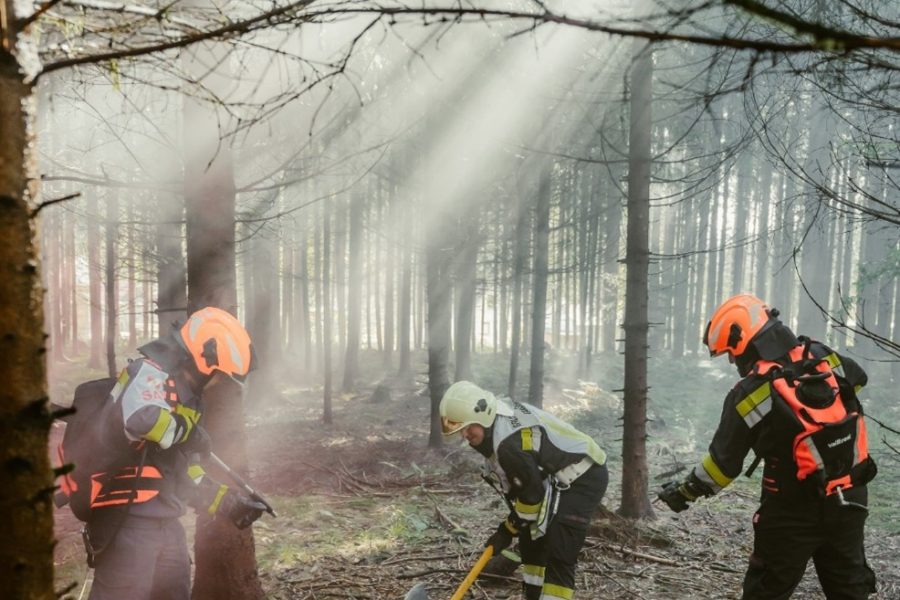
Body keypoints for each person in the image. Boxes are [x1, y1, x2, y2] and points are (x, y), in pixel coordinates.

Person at [658, 294, 877, 599]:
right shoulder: (823, 355)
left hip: (790, 512)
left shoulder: (751, 391)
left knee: (766, 592)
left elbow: (722, 467)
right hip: (850, 498)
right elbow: (858, 379)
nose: (733, 362)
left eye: (731, 354)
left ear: (742, 340)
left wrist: (685, 490)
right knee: (850, 588)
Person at [62, 307, 267, 600]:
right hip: (128, 524)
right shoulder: (148, 374)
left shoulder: (190, 402)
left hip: (168, 526)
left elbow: (186, 472)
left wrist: (228, 501)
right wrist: (190, 430)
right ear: (204, 360)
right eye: (221, 374)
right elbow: (142, 419)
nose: (220, 382)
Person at [440, 381, 608, 600]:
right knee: (531, 544)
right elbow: (526, 490)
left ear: (483, 415)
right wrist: (512, 528)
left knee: (559, 551)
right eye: (461, 430)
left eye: (468, 427)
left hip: (583, 477)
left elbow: (531, 497)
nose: (465, 435)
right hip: (552, 480)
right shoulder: (499, 422)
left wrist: (507, 531)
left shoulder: (509, 444)